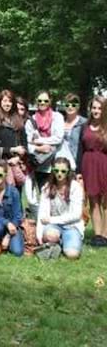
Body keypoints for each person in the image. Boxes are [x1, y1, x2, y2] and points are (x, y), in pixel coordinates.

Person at [36, 157, 84, 259]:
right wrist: (39, 235)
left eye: (63, 171)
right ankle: (56, 241)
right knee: (51, 236)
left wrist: (52, 219)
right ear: (52, 171)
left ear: (68, 172)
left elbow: (76, 215)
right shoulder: (46, 188)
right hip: (53, 226)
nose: (59, 174)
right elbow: (42, 214)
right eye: (56, 170)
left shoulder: (76, 187)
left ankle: (63, 243)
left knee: (72, 255)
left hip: (72, 226)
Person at [78, 96, 107, 247]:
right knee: (94, 201)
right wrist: (78, 171)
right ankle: (98, 236)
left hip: (104, 163)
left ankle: (105, 234)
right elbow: (79, 149)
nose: (96, 111)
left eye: (99, 108)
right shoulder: (85, 126)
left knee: (106, 202)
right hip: (88, 164)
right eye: (94, 108)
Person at [0, 162, 24, 256]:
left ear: (5, 175)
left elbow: (18, 214)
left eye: (0, 175)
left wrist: (8, 236)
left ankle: (7, 240)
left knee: (17, 252)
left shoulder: (14, 191)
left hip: (13, 225)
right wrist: (6, 223)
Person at [25, 91, 64, 186]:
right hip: (40, 164)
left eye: (45, 100)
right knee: (43, 196)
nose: (42, 103)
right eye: (40, 100)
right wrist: (39, 148)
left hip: (57, 163)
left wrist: (39, 141)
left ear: (50, 101)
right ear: (36, 101)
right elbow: (27, 143)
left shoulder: (57, 117)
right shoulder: (31, 121)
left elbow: (58, 138)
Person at [0, 89, 27, 164]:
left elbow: (25, 145)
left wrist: (18, 158)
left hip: (18, 163)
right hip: (1, 164)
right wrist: (13, 149)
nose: (7, 104)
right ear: (0, 102)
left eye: (10, 101)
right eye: (5, 101)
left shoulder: (19, 121)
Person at [61, 93, 87, 172]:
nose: (70, 107)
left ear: (78, 106)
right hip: (60, 164)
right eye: (67, 104)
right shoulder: (59, 122)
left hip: (76, 165)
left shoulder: (84, 123)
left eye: (73, 105)